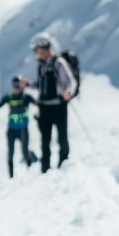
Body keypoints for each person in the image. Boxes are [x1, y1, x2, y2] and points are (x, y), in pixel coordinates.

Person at [27, 33, 76, 173]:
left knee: (62, 137)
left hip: (59, 106)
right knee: (45, 140)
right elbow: (40, 84)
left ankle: (63, 165)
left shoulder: (58, 62)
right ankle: (45, 168)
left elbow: (71, 81)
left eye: (38, 50)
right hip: (44, 108)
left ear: (45, 48)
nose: (36, 53)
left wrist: (69, 92)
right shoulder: (41, 66)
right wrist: (28, 84)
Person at [0, 75, 38, 178]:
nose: (16, 87)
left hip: (23, 129)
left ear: (22, 86)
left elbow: (38, 103)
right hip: (11, 130)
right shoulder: (9, 97)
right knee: (10, 153)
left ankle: (30, 171)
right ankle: (11, 176)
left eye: (18, 85)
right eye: (14, 85)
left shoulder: (26, 97)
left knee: (25, 151)